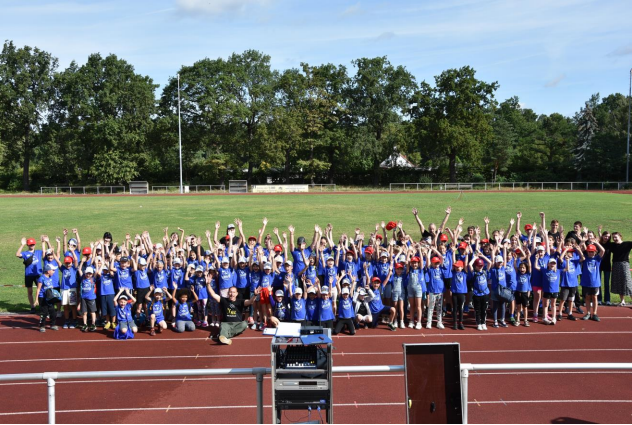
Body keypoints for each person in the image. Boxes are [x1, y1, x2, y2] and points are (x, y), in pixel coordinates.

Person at [16, 237, 44, 313]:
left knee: (41, 290)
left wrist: (43, 243)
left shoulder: (38, 252)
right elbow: (17, 254)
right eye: (30, 245)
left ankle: (40, 305)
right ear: (28, 245)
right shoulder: (25, 253)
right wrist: (22, 245)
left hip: (38, 274)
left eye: (33, 244)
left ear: (35, 244)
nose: (31, 246)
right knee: (30, 291)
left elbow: (45, 252)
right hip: (28, 275)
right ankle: (32, 307)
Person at [604, 232, 632, 306]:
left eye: (616, 237)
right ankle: (622, 301)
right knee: (619, 283)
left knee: (628, 283)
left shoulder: (627, 244)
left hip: (624, 264)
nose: (614, 239)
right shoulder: (613, 245)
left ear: (620, 236)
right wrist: (600, 233)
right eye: (613, 238)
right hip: (615, 265)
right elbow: (604, 242)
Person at [580, 243, 605, 321]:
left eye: (592, 251)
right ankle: (588, 313)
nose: (590, 253)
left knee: (594, 297)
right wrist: (583, 242)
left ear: (595, 252)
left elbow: (603, 250)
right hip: (586, 282)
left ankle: (594, 313)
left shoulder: (597, 259)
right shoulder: (585, 258)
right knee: (587, 297)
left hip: (595, 282)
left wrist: (596, 242)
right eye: (589, 251)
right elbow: (580, 251)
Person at [34, 263, 60, 332]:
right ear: (48, 271)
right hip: (42, 298)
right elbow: (38, 289)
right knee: (44, 312)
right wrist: (36, 299)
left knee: (53, 312)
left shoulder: (50, 278)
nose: (54, 271)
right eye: (53, 270)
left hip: (49, 298)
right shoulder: (41, 278)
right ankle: (42, 326)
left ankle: (53, 324)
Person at [60, 253, 79, 329]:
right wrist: (53, 252)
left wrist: (72, 251)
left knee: (73, 306)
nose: (68, 264)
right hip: (64, 289)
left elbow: (76, 260)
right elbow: (58, 262)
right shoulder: (63, 268)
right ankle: (67, 320)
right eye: (66, 263)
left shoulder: (74, 268)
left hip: (72, 289)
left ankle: (74, 320)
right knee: (65, 306)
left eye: (69, 263)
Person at [78, 266, 98, 332]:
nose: (88, 275)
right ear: (85, 273)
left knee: (92, 312)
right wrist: (81, 263)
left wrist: (96, 264)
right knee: (84, 312)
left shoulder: (93, 279)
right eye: (87, 273)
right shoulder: (82, 279)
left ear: (92, 274)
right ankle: (85, 324)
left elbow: (97, 272)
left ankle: (93, 324)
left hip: (91, 298)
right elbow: (79, 270)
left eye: (90, 274)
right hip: (83, 298)